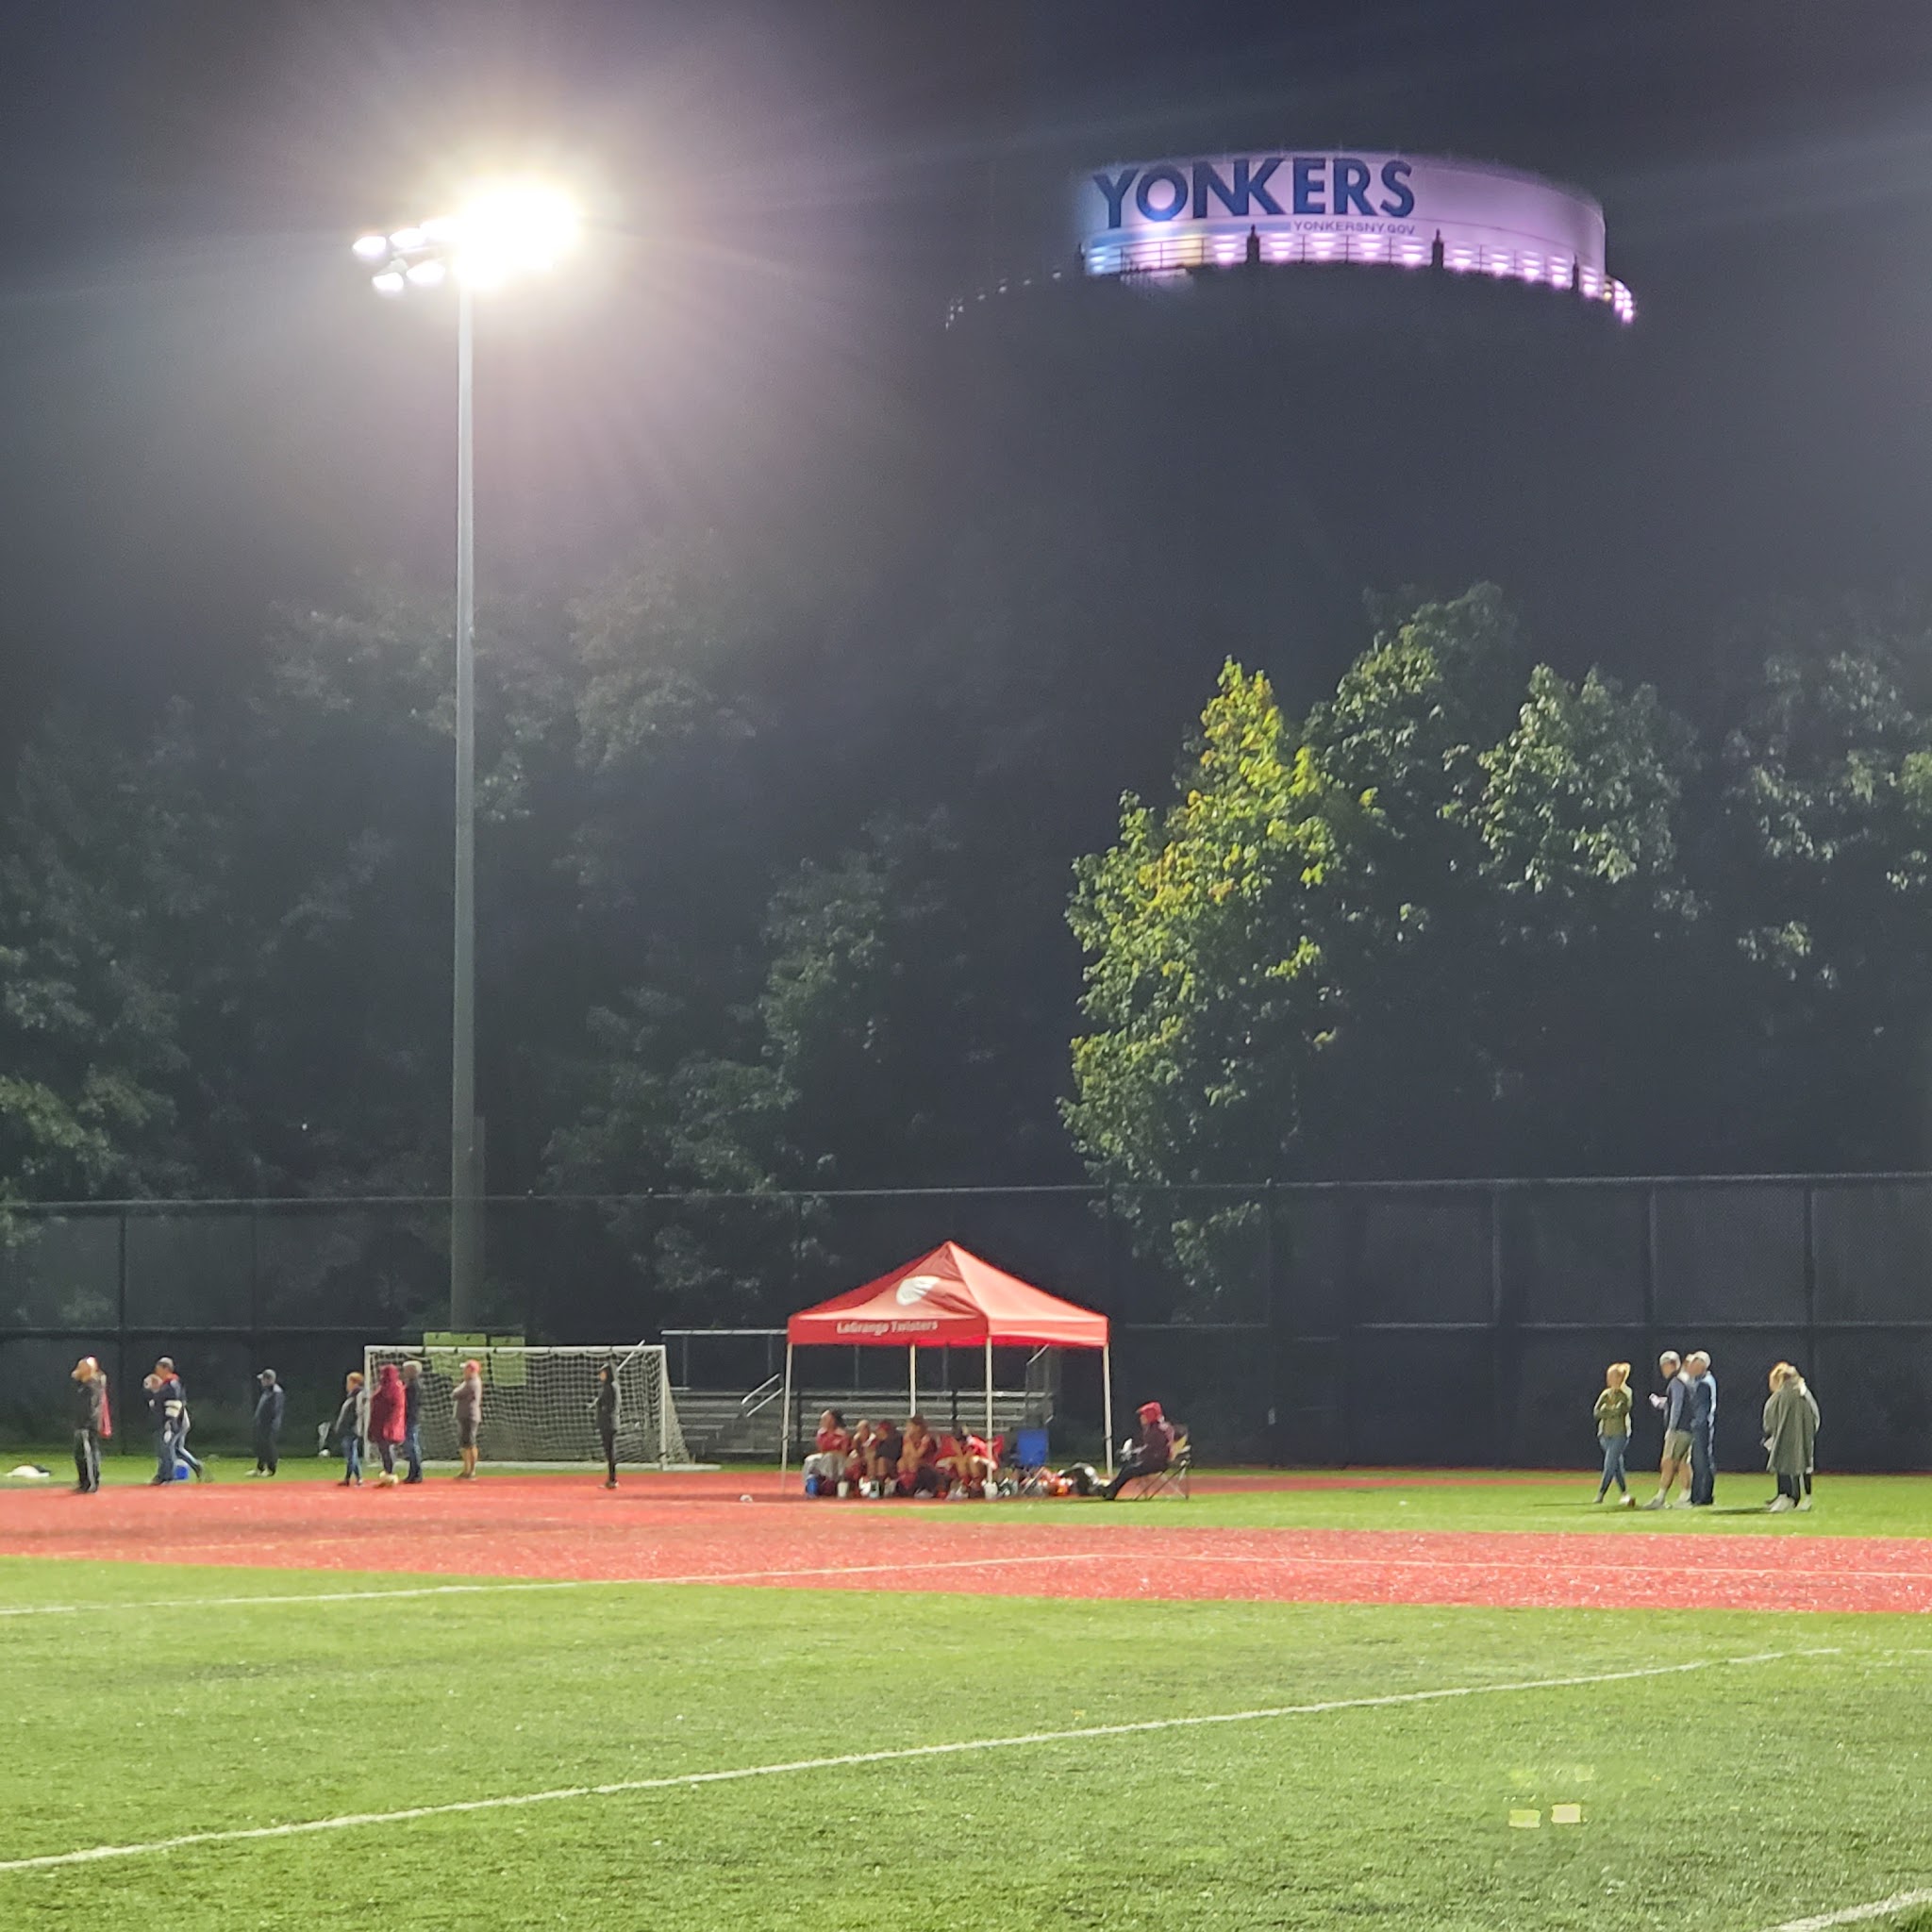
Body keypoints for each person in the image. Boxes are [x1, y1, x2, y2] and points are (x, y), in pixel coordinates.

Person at [1763, 1362, 1821, 1512]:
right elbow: (1814, 1415)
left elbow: (1770, 1414)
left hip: (1787, 1436)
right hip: (1802, 1437)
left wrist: (1771, 1430)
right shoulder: (1803, 1392)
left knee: (1788, 1466)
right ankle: (1800, 1497)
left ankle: (1789, 1497)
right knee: (1802, 1466)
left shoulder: (1784, 1395)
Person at [1642, 1353, 1693, 1509]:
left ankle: (1661, 1498)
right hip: (1689, 1429)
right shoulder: (1686, 1379)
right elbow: (1675, 1403)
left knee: (1668, 1463)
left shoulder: (1676, 1381)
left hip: (1678, 1430)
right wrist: (1660, 1403)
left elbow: (1677, 1406)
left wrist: (1671, 1428)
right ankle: (1685, 1497)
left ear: (1669, 1364)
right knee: (1684, 1463)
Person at [1102, 1400, 1176, 1500]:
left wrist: (1134, 1452)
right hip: (1155, 1461)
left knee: (1129, 1471)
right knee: (1127, 1469)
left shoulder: (1157, 1430)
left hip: (1156, 1463)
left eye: (1144, 1415)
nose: (1141, 1418)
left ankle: (1110, 1490)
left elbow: (1151, 1448)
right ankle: (1111, 1490)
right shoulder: (1161, 1427)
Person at [146, 1357, 204, 1484]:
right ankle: (196, 1466)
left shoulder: (171, 1384)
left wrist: (169, 1424)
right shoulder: (166, 1384)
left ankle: (166, 1476)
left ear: (166, 1369)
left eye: (159, 1369)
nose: (157, 1372)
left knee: (166, 1448)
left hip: (175, 1422)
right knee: (176, 1448)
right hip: (177, 1421)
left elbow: (174, 1404)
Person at [1592, 1361, 1636, 1506]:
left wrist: (1607, 1411)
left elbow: (1622, 1410)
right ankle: (1624, 1493)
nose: (1609, 1379)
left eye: (1611, 1376)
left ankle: (1601, 1493)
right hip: (1604, 1434)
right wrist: (1611, 1411)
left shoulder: (1626, 1392)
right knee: (1616, 1464)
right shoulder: (1606, 1393)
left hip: (1620, 1434)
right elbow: (1597, 1412)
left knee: (1610, 1463)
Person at [70, 1357, 107, 1494]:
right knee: (80, 1454)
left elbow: (90, 1408)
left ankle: (91, 1483)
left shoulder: (93, 1385)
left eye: (81, 1366)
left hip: (88, 1425)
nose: (78, 1369)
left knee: (88, 1454)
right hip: (81, 1424)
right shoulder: (83, 1385)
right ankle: (83, 1481)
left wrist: (85, 1424)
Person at [1686, 1351, 1718, 1507]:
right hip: (1701, 1426)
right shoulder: (1702, 1381)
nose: (1689, 1368)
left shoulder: (1704, 1383)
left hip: (1701, 1427)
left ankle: (1703, 1496)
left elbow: (1702, 1409)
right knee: (1698, 1461)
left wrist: (1695, 1424)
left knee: (1701, 1461)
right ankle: (1698, 1495)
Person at [367, 1362, 407, 1487]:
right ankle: (388, 1475)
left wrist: (389, 1426)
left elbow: (391, 1406)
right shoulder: (387, 1387)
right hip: (382, 1424)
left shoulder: (394, 1388)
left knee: (387, 1449)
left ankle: (390, 1475)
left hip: (388, 1425)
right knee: (384, 1450)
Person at [331, 1371, 368, 1487]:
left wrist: (354, 1427)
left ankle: (349, 1478)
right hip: (348, 1428)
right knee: (352, 1454)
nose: (347, 1385)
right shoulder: (352, 1396)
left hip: (351, 1429)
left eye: (349, 1382)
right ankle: (357, 1478)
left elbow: (357, 1413)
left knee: (351, 1454)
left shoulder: (358, 1396)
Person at [803, 1408, 851, 1493]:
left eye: (825, 1419)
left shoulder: (841, 1434)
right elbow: (821, 1449)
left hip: (838, 1459)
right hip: (825, 1456)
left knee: (829, 1457)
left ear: (832, 1421)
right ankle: (808, 1483)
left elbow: (843, 1452)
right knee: (810, 1460)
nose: (822, 1422)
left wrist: (832, 1452)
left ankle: (830, 1482)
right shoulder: (821, 1434)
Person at [896, 1413, 943, 1496]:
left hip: (927, 1465)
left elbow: (917, 1455)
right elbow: (905, 1454)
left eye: (910, 1426)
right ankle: (906, 1487)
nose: (907, 1429)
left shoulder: (925, 1438)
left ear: (917, 1428)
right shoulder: (908, 1438)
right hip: (914, 1461)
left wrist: (909, 1442)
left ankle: (914, 1488)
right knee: (901, 1462)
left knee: (912, 1462)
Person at [250, 1369, 285, 1476]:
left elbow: (275, 1410)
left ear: (269, 1380)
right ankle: (260, 1468)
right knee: (261, 1446)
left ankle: (271, 1469)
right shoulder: (267, 1391)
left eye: (263, 1379)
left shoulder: (276, 1392)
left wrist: (272, 1424)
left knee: (269, 1447)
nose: (262, 1382)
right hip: (263, 1424)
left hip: (270, 1425)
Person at [453, 1359, 484, 1479]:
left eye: (465, 1369)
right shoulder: (468, 1382)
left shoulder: (472, 1383)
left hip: (469, 1416)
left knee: (470, 1443)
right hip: (464, 1416)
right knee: (465, 1444)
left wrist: (456, 1389)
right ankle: (466, 1469)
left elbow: (455, 1394)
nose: (463, 1371)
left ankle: (471, 1470)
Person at [593, 1360, 620, 1489]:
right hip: (606, 1423)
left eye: (602, 1372)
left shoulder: (611, 1387)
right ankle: (611, 1479)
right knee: (608, 1452)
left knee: (610, 1452)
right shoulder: (607, 1387)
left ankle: (612, 1479)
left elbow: (611, 1406)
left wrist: (601, 1406)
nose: (600, 1375)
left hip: (609, 1423)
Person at [400, 1359, 425, 1484]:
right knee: (410, 1445)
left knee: (412, 1445)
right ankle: (413, 1472)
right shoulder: (412, 1384)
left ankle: (416, 1473)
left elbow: (412, 1404)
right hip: (411, 1418)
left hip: (412, 1418)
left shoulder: (414, 1386)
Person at [865, 1417, 903, 1495]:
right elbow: (875, 1454)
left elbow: (893, 1454)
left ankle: (881, 1487)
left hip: (894, 1463)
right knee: (873, 1460)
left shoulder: (897, 1439)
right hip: (882, 1462)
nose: (877, 1432)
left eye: (879, 1430)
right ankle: (874, 1487)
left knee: (881, 1461)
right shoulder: (879, 1442)